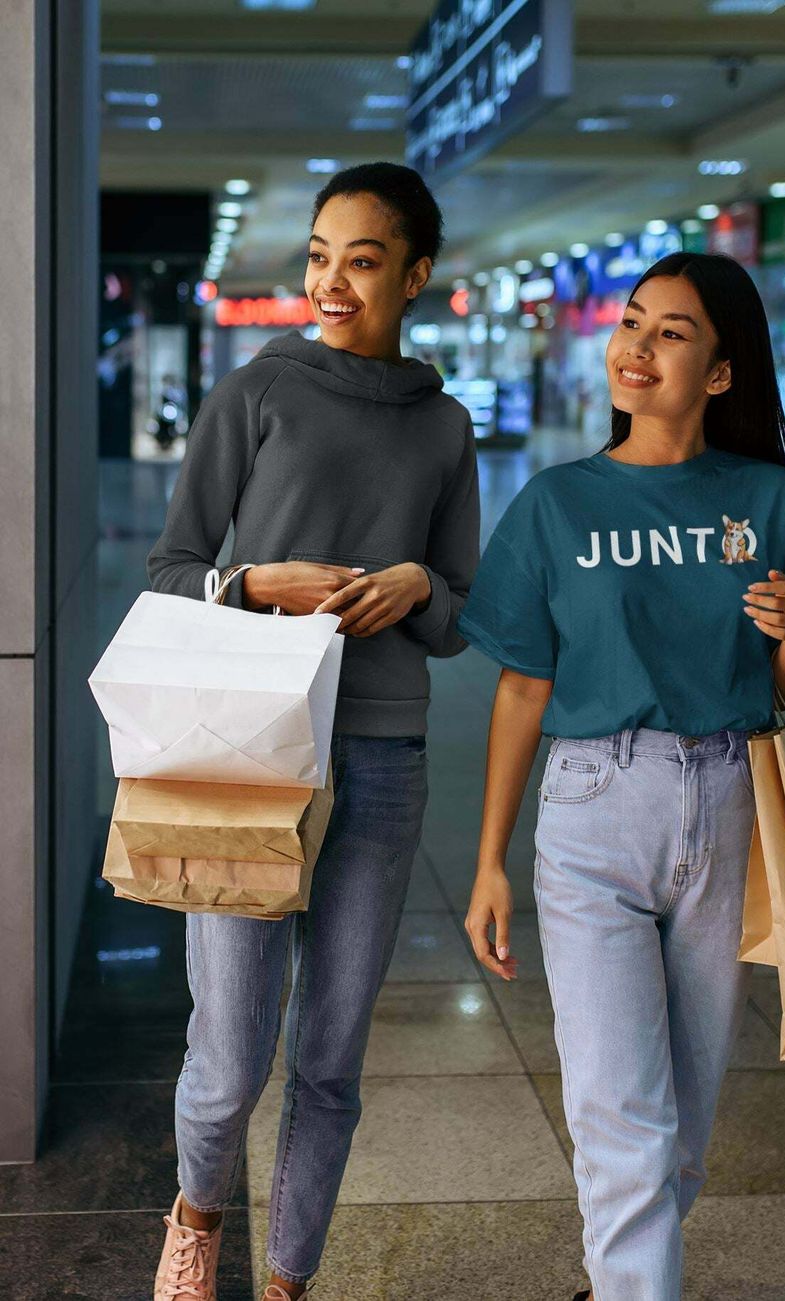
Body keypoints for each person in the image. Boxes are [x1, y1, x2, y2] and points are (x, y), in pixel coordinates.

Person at [459, 252, 785, 1301]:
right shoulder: (555, 503)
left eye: (670, 331)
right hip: (592, 806)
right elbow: (521, 690)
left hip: (726, 799)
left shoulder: (768, 498)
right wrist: (489, 860)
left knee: (682, 1107)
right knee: (617, 1106)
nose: (635, 345)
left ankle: (618, 1271)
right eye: (632, 322)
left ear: (720, 372)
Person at [146, 161, 480, 1301]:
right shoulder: (256, 391)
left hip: (383, 754)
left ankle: (289, 1277)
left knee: (329, 1058)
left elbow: (459, 613)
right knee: (232, 1056)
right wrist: (249, 584)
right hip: (247, 744)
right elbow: (172, 569)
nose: (332, 279)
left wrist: (414, 585)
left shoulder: (444, 425)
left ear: (416, 274)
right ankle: (195, 1213)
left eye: (364, 257)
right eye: (320, 254)